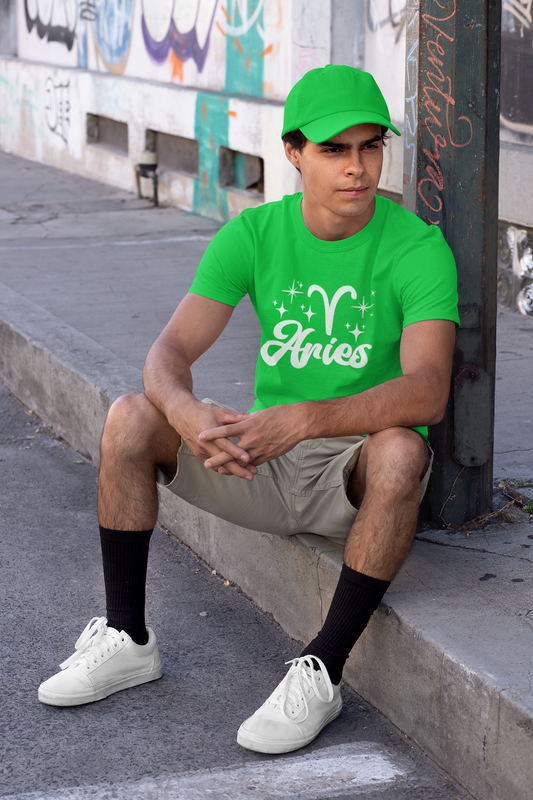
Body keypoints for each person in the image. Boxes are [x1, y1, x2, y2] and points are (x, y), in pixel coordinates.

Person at [38, 65, 459, 755]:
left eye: (370, 147)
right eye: (333, 149)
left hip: (348, 471)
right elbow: (167, 352)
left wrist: (305, 418)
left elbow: (426, 390)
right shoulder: (255, 234)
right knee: (131, 415)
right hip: (255, 463)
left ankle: (321, 670)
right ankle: (127, 637)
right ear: (292, 153)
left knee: (401, 449)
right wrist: (185, 413)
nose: (357, 168)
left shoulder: (416, 248)